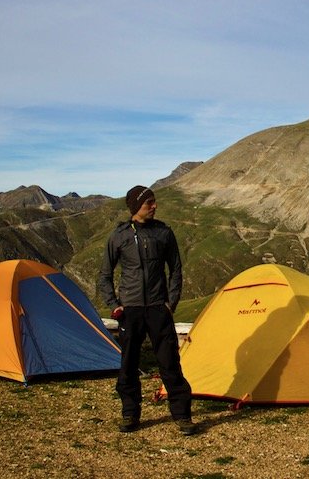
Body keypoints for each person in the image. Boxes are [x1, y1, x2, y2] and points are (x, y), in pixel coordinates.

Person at [97, 185, 197, 436]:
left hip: (157, 308)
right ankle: (130, 413)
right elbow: (104, 275)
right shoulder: (118, 236)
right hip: (129, 309)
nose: (154, 206)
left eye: (154, 202)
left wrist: (169, 304)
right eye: (149, 203)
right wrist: (114, 305)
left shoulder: (163, 233)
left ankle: (182, 415)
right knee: (128, 363)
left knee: (169, 362)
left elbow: (176, 271)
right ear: (135, 207)